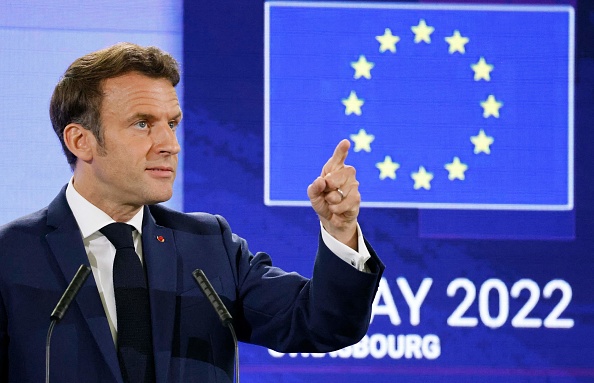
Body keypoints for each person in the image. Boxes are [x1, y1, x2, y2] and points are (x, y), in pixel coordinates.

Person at [0, 43, 384, 383]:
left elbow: (324, 324)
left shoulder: (208, 246)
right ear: (81, 141)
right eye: (142, 124)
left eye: (172, 124)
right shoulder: (11, 255)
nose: (169, 144)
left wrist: (341, 229)